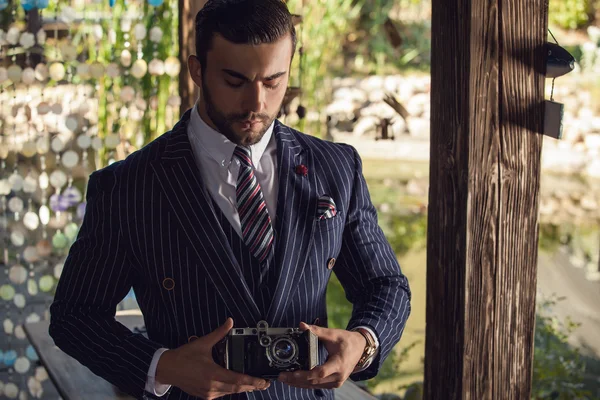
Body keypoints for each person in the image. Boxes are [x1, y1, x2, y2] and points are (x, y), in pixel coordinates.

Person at [48, 0, 411, 399]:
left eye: (274, 81)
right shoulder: (127, 187)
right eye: (235, 81)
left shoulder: (336, 167)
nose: (257, 104)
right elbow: (74, 317)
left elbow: (385, 284)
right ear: (197, 70)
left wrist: (363, 341)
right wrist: (163, 365)